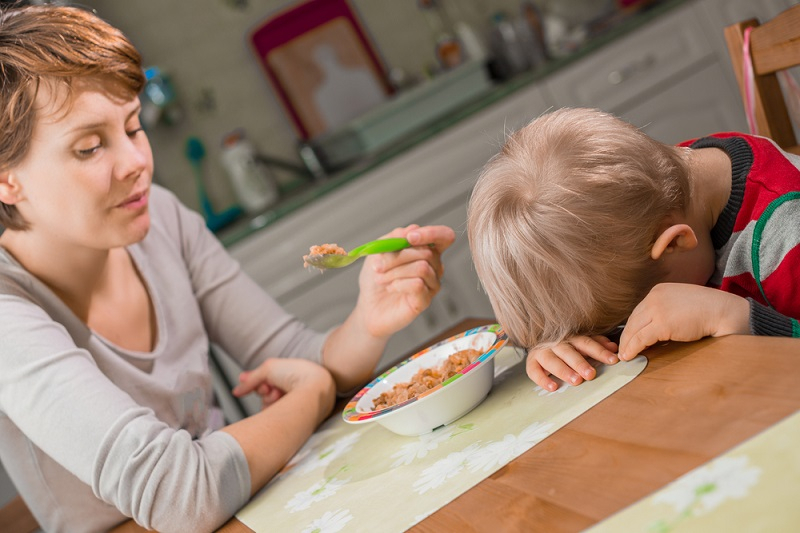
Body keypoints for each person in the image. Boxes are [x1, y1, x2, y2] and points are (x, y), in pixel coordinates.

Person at [0, 5, 455, 532]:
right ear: (8, 179)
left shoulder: (161, 218)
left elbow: (302, 359)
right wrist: (308, 395)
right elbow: (181, 497)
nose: (136, 163)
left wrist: (369, 318)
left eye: (132, 127)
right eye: (89, 147)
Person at [468, 107, 799, 392]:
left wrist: (735, 317)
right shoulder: (653, 191)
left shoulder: (785, 237)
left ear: (674, 243)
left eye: (630, 313)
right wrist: (555, 342)